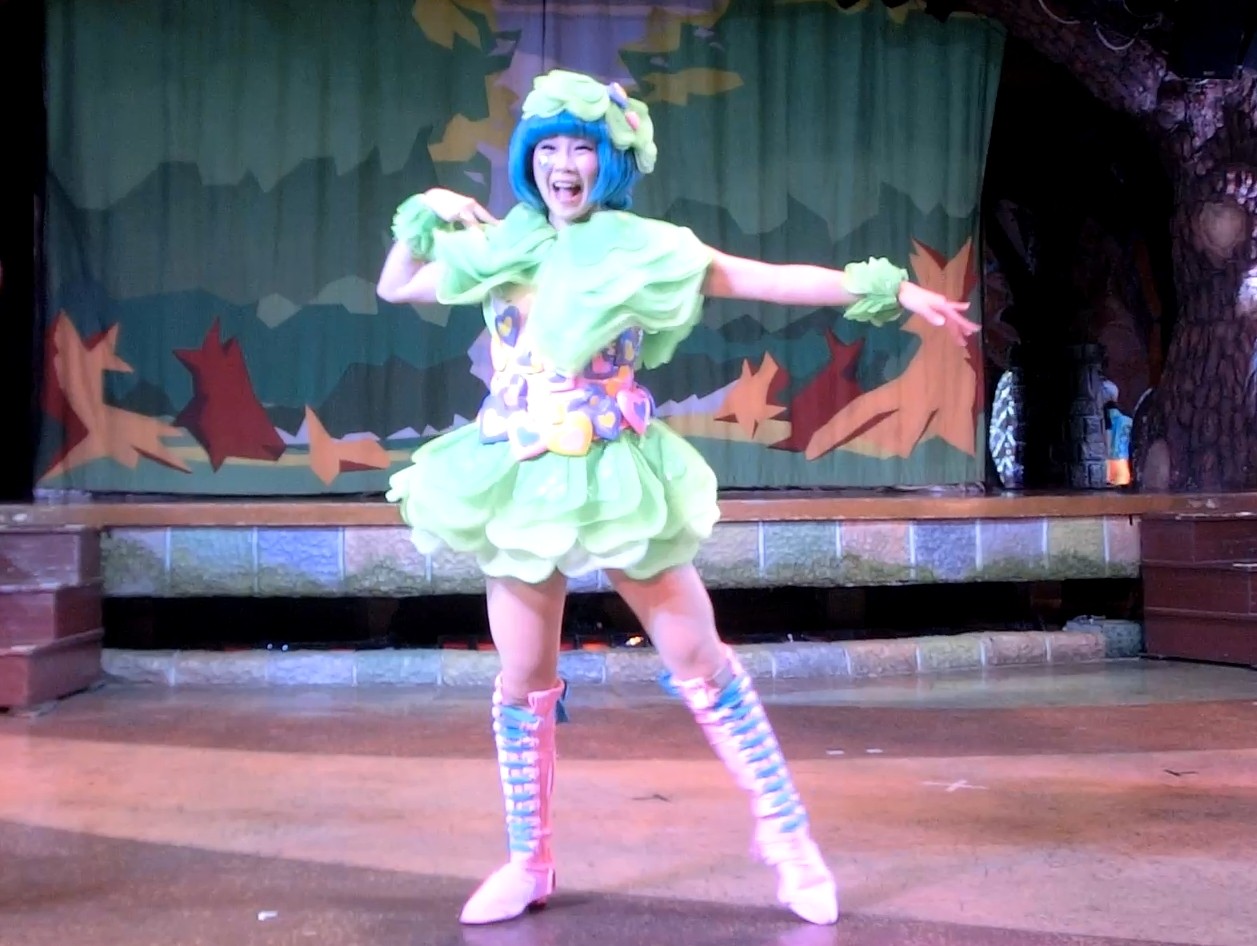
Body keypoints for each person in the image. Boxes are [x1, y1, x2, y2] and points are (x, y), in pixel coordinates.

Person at [377, 69, 978, 928]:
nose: (562, 164)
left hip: (614, 474)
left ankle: (789, 839)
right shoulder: (502, 245)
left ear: (610, 160)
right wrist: (427, 212)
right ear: (528, 158)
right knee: (521, 676)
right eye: (547, 147)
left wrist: (890, 291)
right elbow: (397, 284)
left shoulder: (645, 248)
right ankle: (527, 860)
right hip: (518, 476)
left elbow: (769, 279)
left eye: (581, 147)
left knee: (698, 655)